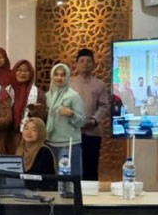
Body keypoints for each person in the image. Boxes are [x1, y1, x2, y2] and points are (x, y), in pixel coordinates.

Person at [70, 48, 110, 181]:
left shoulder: (100, 84)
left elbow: (104, 105)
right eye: (81, 61)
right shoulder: (69, 83)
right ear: (76, 64)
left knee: (91, 166)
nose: (85, 63)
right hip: (73, 131)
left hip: (92, 131)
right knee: (73, 165)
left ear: (93, 64)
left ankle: (90, 197)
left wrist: (93, 120)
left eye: (88, 61)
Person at [47, 63, 85, 177]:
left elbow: (82, 121)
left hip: (69, 143)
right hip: (50, 142)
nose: (59, 78)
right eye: (56, 74)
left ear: (68, 77)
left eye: (63, 75)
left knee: (70, 180)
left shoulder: (73, 96)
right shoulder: (47, 96)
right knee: (53, 180)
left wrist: (71, 114)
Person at [9, 60, 47, 154]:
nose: (22, 73)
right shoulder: (8, 91)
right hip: (9, 138)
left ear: (31, 73)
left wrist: (33, 110)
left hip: (29, 138)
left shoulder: (38, 93)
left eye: (26, 71)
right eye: (19, 70)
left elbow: (42, 117)